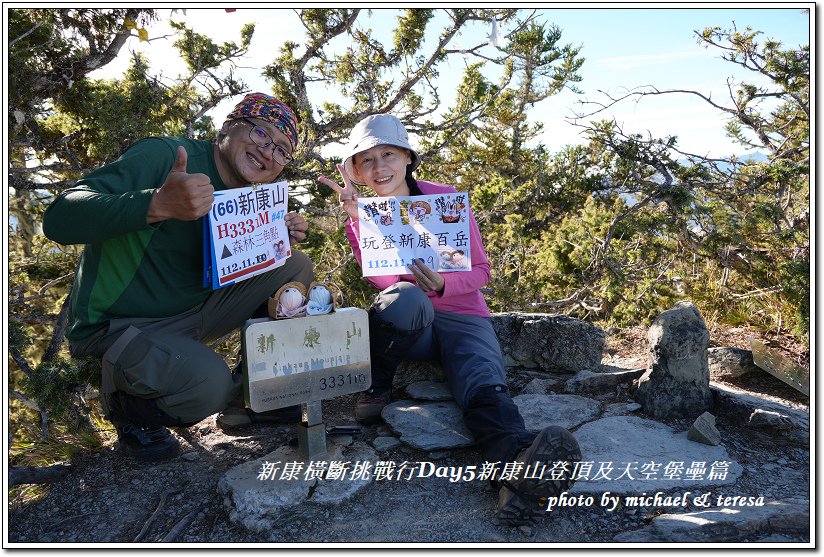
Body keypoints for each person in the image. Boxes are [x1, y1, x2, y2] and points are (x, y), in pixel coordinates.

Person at [318, 114, 583, 526]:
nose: (378, 167)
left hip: (464, 315)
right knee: (403, 299)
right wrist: (356, 221)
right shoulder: (364, 212)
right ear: (357, 172)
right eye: (366, 160)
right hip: (414, 322)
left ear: (407, 157)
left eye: (387, 154)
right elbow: (378, 279)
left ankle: (516, 467)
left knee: (483, 383)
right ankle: (378, 386)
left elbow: (481, 271)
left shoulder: (445, 200)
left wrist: (444, 284)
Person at [43, 93, 313, 462]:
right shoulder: (166, 157)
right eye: (262, 134)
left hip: (191, 314)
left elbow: (229, 260)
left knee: (293, 265)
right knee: (206, 387)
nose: (269, 153)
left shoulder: (244, 195)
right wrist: (155, 203)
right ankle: (128, 410)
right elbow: (58, 217)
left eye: (282, 150)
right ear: (229, 126)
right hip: (118, 326)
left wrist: (273, 237)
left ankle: (249, 399)